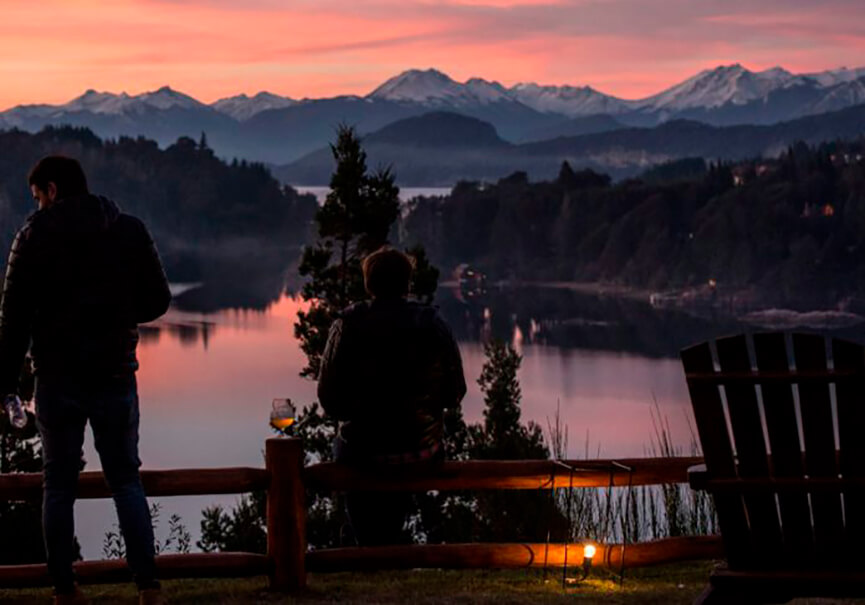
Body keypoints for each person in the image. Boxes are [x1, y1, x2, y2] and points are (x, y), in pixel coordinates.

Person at [0, 156, 171, 605]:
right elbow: (158, 299)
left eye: (37, 196)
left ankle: (64, 590)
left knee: (58, 486)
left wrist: (6, 385)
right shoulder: (128, 229)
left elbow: (13, 320)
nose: (36, 205)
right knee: (126, 481)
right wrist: (117, 314)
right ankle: (148, 586)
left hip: (56, 380)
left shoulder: (32, 237)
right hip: (115, 374)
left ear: (52, 190)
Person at [318, 246, 466, 545]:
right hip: (421, 453)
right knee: (392, 515)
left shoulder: (347, 324)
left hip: (362, 455)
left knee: (366, 520)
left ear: (369, 283)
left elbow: (330, 400)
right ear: (407, 283)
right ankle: (389, 547)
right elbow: (455, 393)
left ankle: (366, 544)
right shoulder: (432, 323)